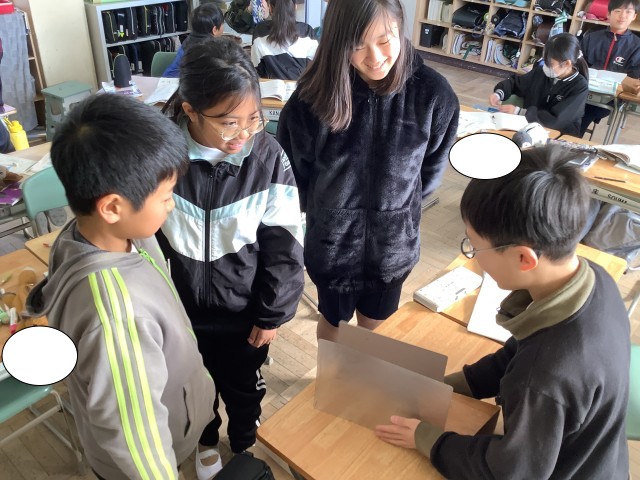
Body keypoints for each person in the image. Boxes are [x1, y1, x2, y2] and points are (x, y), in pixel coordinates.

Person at [375, 145, 631, 479]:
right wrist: (449, 385)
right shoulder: (594, 278)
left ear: (524, 258)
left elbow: (510, 472)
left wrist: (428, 439)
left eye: (474, 246)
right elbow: (518, 353)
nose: (473, 256)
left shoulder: (545, 375)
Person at [25, 94, 215, 480]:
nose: (171, 205)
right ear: (112, 207)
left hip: (173, 409)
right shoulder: (118, 316)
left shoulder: (98, 234)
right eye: (165, 197)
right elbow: (136, 441)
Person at [158, 37, 304, 480]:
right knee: (193, 388)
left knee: (244, 387)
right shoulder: (162, 156)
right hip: (181, 312)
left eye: (253, 119)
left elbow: (285, 244)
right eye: (228, 123)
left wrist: (272, 314)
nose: (242, 134)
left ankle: (243, 443)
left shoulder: (268, 157)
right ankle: (205, 441)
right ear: (190, 111)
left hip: (244, 312)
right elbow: (148, 239)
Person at [276, 0, 459, 342]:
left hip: (393, 248)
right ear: (337, 41)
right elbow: (294, 175)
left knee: (377, 332)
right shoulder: (312, 97)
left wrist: (398, 211)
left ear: (401, 29)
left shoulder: (433, 93)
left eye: (385, 40)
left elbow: (432, 167)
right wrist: (326, 212)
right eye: (357, 45)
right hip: (332, 248)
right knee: (333, 326)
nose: (374, 57)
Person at [489, 33, 589, 136]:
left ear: (567, 64)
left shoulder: (579, 87)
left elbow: (556, 120)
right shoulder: (540, 73)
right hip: (528, 129)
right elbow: (516, 83)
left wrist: (521, 112)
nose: (545, 66)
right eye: (545, 61)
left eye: (550, 63)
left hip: (559, 136)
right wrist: (499, 93)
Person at [579, 0, 640, 136]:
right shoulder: (591, 37)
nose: (622, 16)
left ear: (634, 16)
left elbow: (633, 78)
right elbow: (579, 65)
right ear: (608, 14)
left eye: (628, 12)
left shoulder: (637, 46)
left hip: (611, 98)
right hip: (583, 90)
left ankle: (569, 140)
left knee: (582, 114)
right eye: (617, 11)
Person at [251, 0, 318, 80]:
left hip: (270, 86)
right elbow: (315, 69)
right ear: (295, 7)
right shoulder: (307, 31)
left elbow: (256, 69)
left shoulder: (260, 31)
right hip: (301, 86)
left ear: (270, 8)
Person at [162, 2, 224, 78]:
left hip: (167, 80)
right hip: (182, 83)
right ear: (214, 30)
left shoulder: (188, 42)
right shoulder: (213, 51)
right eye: (222, 24)